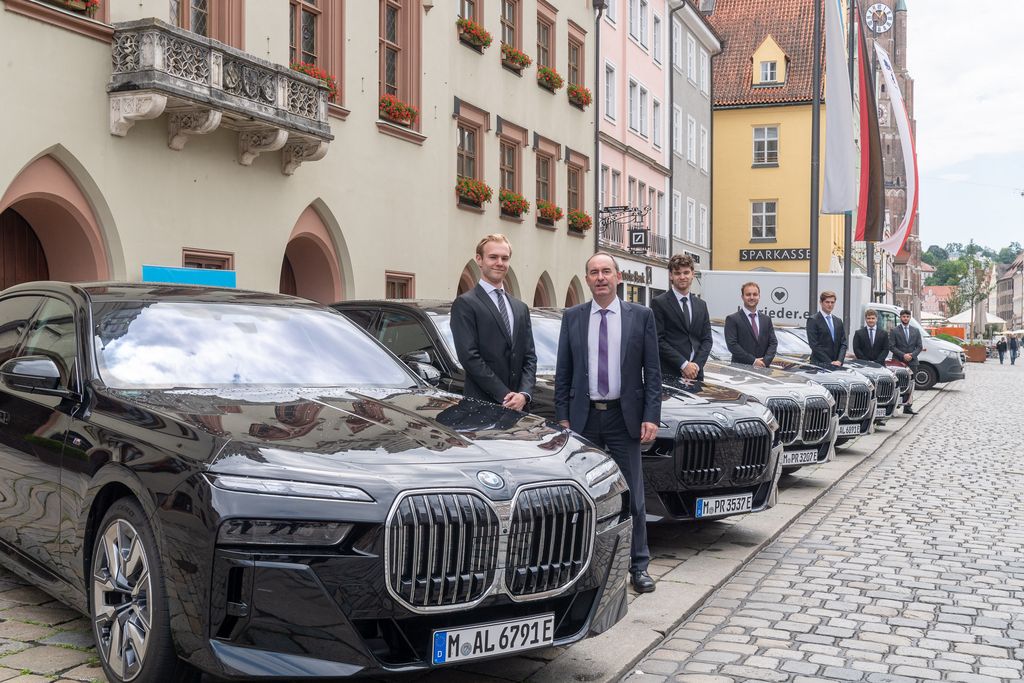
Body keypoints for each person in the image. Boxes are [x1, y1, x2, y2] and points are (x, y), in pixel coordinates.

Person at [554, 252, 661, 594]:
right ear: (587, 279)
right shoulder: (573, 317)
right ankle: (581, 570)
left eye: (606, 271)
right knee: (583, 496)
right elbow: (564, 372)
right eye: (593, 272)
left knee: (633, 496)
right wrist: (563, 416)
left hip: (623, 417)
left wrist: (650, 415)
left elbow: (653, 372)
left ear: (618, 277)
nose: (600, 277)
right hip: (583, 419)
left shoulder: (640, 316)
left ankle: (639, 566)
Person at [450, 234, 536, 410]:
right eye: (493, 257)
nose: (499, 263)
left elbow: (529, 357)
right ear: (479, 260)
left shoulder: (520, 308)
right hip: (482, 407)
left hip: (520, 408)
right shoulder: (465, 303)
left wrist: (524, 395)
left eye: (505, 258)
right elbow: (469, 357)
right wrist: (506, 397)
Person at [650, 254, 712, 381]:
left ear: (692, 274)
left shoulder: (701, 305)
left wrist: (696, 366)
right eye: (677, 273)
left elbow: (707, 340)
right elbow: (658, 340)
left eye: (686, 272)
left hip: (696, 375)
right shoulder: (659, 303)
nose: (682, 277)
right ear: (671, 276)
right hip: (670, 374)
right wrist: (684, 365)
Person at [724, 281, 777, 368]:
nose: (752, 297)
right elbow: (732, 345)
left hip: (764, 370)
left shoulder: (766, 320)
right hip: (740, 371)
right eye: (748, 294)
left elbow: (773, 343)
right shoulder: (732, 319)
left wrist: (765, 361)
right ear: (742, 297)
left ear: (759, 296)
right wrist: (753, 361)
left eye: (755, 294)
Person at [889, 309, 923, 415]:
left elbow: (919, 346)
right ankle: (895, 405)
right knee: (898, 384)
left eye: (907, 316)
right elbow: (891, 346)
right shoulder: (894, 331)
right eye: (903, 316)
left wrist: (911, 355)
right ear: (900, 317)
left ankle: (908, 407)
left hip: (912, 362)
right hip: (898, 362)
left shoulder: (916, 331)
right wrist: (903, 355)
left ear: (910, 318)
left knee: (911, 384)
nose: (905, 318)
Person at [806, 291, 847, 367]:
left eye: (832, 302)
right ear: (821, 302)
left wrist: (839, 360)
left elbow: (843, 343)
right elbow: (814, 345)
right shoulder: (813, 320)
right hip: (819, 365)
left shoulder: (838, 321)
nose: (830, 305)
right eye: (827, 302)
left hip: (837, 365)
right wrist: (829, 362)